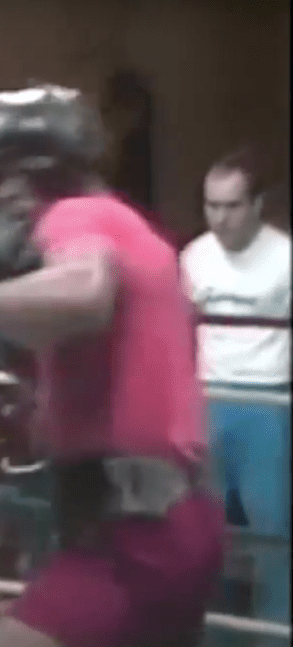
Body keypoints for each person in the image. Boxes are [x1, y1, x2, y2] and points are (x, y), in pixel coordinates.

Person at [0, 84, 225, 646]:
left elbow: (84, 292)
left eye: (12, 174)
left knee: (17, 640)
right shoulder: (125, 225)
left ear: (45, 170)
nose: (4, 193)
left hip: (138, 527)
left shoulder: (77, 217)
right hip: (166, 519)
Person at [180, 151, 291, 641]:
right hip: (208, 399)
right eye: (211, 206)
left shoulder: (287, 257)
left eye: (232, 206)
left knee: (272, 533)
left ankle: (274, 634)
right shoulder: (194, 257)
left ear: (258, 204)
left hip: (268, 402)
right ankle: (215, 637)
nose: (220, 218)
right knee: (207, 533)